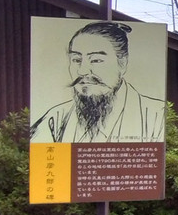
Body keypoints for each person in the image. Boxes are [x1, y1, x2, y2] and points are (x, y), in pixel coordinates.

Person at [30, 21, 165, 142]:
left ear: (122, 64)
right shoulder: (56, 118)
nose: (82, 71)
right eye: (76, 60)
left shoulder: (156, 116)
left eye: (96, 60)